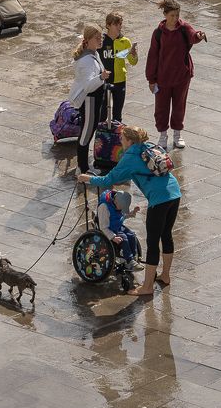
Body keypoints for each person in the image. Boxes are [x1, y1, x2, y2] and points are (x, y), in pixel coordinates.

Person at [78, 124, 182, 297]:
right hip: (174, 193)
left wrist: (87, 178)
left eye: (122, 138)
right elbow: (131, 174)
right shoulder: (149, 147)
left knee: (153, 242)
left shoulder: (130, 157)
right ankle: (165, 276)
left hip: (160, 199)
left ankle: (147, 287)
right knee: (167, 235)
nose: (120, 141)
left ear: (129, 141)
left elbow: (108, 179)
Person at [146, 0, 206, 149]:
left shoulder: (184, 28)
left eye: (177, 15)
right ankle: (163, 135)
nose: (175, 18)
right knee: (161, 108)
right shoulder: (158, 33)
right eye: (172, 15)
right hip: (163, 77)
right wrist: (151, 79)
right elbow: (152, 55)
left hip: (181, 76)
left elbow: (193, 35)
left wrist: (198, 35)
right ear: (165, 15)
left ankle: (177, 134)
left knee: (179, 105)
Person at [69, 23, 111, 174]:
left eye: (101, 37)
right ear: (87, 40)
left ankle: (83, 165)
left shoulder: (93, 53)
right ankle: (82, 168)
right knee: (87, 133)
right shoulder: (86, 60)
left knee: (89, 130)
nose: (100, 40)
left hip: (95, 99)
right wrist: (102, 77)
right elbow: (88, 86)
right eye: (97, 38)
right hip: (89, 100)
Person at [99, 11, 138, 123]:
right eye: (116, 24)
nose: (119, 27)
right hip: (104, 80)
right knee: (102, 114)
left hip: (120, 80)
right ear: (108, 25)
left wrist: (133, 55)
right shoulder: (101, 40)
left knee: (117, 114)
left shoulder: (125, 41)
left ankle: (117, 138)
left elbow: (133, 62)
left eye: (120, 24)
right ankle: (100, 138)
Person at [96, 190, 140, 268]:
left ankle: (133, 257)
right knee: (124, 239)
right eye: (121, 208)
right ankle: (129, 261)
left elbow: (123, 215)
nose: (121, 210)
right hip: (109, 229)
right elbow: (103, 227)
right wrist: (113, 237)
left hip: (117, 226)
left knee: (132, 235)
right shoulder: (104, 207)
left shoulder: (119, 202)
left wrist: (133, 212)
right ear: (115, 202)